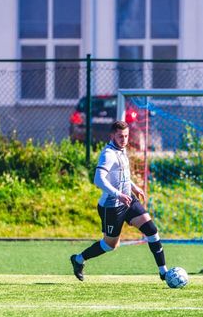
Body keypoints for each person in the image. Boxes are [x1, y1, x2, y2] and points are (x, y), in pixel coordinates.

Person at [70, 120, 168, 281]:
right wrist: (118, 195)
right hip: (111, 206)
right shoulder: (108, 154)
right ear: (112, 136)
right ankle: (78, 259)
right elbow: (98, 179)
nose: (124, 140)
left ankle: (164, 272)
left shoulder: (122, 150)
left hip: (128, 200)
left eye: (126, 136)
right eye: (120, 136)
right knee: (110, 245)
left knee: (151, 230)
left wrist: (134, 188)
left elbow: (121, 176)